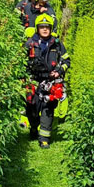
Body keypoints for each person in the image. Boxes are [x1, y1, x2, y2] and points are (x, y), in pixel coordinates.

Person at [25, 13, 70, 148]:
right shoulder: (30, 43)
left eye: (47, 27)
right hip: (34, 80)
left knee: (48, 109)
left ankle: (44, 138)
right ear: (37, 28)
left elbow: (66, 60)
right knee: (32, 108)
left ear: (51, 28)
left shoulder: (57, 44)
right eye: (42, 27)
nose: (45, 29)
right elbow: (21, 62)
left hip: (51, 81)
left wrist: (59, 71)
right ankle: (34, 127)